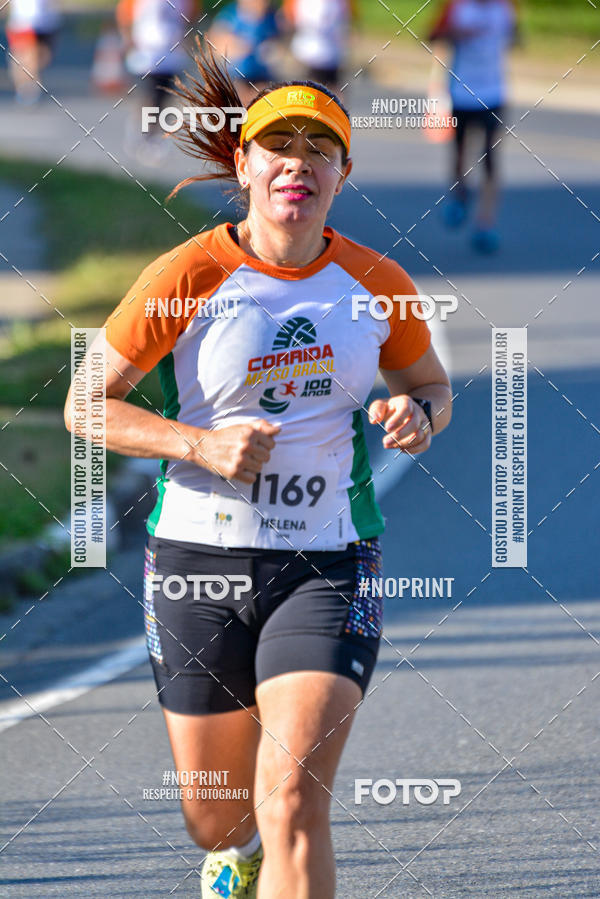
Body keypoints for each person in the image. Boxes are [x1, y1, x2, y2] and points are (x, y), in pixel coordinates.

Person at [64, 45, 452, 899]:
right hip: (196, 561)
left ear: (342, 174)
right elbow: (85, 406)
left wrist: (416, 415)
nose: (297, 166)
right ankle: (231, 854)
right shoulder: (186, 275)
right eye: (279, 147)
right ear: (243, 163)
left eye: (319, 151)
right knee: (221, 816)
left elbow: (429, 385)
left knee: (290, 802)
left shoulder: (377, 285)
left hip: (328, 562)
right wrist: (197, 445)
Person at [429, 0, 517, 253]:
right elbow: (432, 34)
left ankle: (485, 223)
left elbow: (515, 37)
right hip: (461, 93)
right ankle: (460, 193)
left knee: (490, 157)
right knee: (460, 151)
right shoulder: (456, 6)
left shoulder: (506, 7)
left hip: (494, 94)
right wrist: (455, 34)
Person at [116, 0, 198, 161]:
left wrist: (186, 40)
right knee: (149, 97)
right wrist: (128, 40)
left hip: (171, 55)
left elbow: (191, 18)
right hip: (146, 55)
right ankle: (141, 132)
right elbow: (125, 15)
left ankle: (155, 136)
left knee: (165, 98)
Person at [207, 0, 279, 105]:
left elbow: (281, 45)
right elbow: (213, 44)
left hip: (263, 78)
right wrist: (237, 46)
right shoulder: (231, 14)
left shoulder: (272, 17)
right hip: (235, 79)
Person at [282, 0, 354, 89]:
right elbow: (289, 19)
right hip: (305, 54)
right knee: (304, 93)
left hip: (331, 55)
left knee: (333, 93)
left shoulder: (340, 2)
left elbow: (347, 19)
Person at [5, 0, 61, 104]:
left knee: (43, 57)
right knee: (28, 55)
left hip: (47, 23)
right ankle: (26, 88)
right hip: (22, 22)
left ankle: (23, 75)